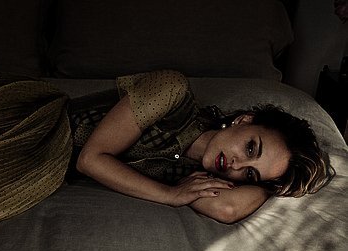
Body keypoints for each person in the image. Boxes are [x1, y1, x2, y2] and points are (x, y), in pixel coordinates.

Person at [72, 70, 334, 223]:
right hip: (51, 132)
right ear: (244, 120)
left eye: (249, 173)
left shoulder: (195, 177)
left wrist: (272, 187)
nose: (236, 165)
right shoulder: (171, 92)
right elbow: (90, 159)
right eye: (250, 148)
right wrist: (168, 195)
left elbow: (227, 209)